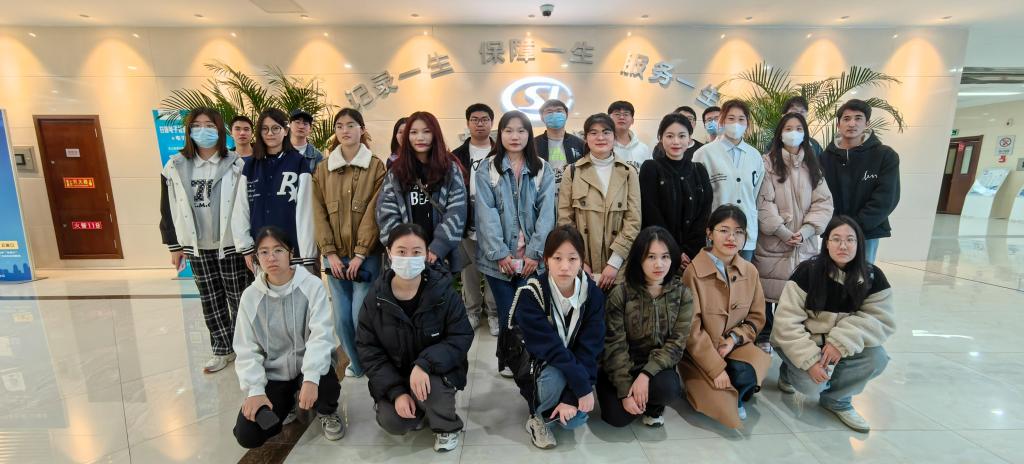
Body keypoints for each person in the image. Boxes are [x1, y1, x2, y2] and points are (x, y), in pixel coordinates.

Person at [356, 224, 474, 452]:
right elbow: (368, 349)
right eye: (401, 251)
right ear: (389, 253)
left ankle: (446, 426)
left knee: (432, 391)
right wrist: (396, 392)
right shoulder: (375, 298)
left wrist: (424, 364)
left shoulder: (443, 291)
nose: (408, 258)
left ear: (426, 254)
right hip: (396, 374)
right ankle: (416, 408)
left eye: (416, 252)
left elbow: (461, 335)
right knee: (393, 422)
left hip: (435, 371)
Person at [771, 216, 894, 433]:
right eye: (836, 239)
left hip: (839, 346)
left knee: (877, 357)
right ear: (826, 243)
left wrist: (840, 342)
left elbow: (880, 319)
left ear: (859, 244)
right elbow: (786, 322)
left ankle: (837, 400)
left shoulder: (873, 277)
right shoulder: (807, 272)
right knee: (812, 385)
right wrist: (809, 361)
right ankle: (789, 371)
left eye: (850, 240)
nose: (843, 246)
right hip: (806, 342)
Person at [232, 226, 343, 448]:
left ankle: (326, 411)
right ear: (257, 257)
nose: (271, 257)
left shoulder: (311, 285)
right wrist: (255, 390)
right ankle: (288, 403)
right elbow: (246, 348)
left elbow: (321, 336)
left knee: (326, 386)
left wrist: (311, 378)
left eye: (278, 250)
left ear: (291, 253)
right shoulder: (250, 297)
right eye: (264, 252)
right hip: (275, 374)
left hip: (309, 365)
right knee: (248, 434)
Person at [160, 107, 251, 374]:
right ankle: (222, 349)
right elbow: (167, 207)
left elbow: (246, 204)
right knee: (210, 300)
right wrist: (174, 245)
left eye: (210, 126)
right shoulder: (175, 165)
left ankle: (245, 348)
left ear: (220, 130)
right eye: (197, 125)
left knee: (240, 299)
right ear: (189, 131)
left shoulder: (236, 163)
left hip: (231, 244)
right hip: (197, 246)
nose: (203, 130)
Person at [504, 225, 605, 449]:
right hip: (540, 365)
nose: (565, 267)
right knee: (555, 376)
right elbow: (550, 349)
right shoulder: (531, 294)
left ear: (582, 261)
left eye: (572, 259)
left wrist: (571, 398)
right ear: (546, 260)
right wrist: (581, 387)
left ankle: (559, 405)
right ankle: (537, 415)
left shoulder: (593, 295)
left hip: (573, 363)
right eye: (557, 258)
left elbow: (591, 349)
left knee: (575, 420)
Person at [474, 110, 556, 377]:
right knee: (507, 311)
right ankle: (508, 360)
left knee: (527, 312)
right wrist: (500, 253)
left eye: (521, 130)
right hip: (499, 259)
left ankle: (527, 359)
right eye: (508, 130)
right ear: (500, 134)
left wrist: (535, 253)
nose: (515, 136)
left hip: (531, 259)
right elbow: (485, 214)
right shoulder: (487, 168)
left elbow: (547, 214)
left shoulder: (542, 168)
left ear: (529, 135)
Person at [678, 205, 770, 429]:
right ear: (710, 233)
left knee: (748, 372)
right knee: (718, 403)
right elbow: (691, 329)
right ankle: (715, 383)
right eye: (724, 230)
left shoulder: (750, 271)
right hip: (700, 353)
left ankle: (737, 386)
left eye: (738, 232)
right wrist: (716, 368)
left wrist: (733, 339)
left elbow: (757, 318)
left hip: (734, 346)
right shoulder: (693, 272)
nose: (731, 238)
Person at [311, 107, 386, 379]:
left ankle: (371, 360)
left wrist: (361, 253)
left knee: (360, 315)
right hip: (334, 258)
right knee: (341, 319)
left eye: (351, 125)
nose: (345, 130)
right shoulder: (323, 169)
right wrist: (329, 253)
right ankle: (356, 363)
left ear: (362, 129)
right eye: (340, 126)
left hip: (366, 257)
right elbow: (318, 213)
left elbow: (374, 212)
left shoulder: (376, 166)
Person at [753, 113, 834, 352]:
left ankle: (788, 340)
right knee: (766, 291)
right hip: (773, 241)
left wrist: (807, 230)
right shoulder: (766, 163)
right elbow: (763, 201)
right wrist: (781, 231)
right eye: (788, 128)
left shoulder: (813, 165)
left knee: (796, 295)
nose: (793, 133)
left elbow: (823, 202)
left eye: (799, 128)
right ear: (780, 133)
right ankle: (764, 336)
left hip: (804, 243)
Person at [599, 226, 693, 428]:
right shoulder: (621, 294)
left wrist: (646, 375)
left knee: (668, 388)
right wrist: (625, 391)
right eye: (651, 257)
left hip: (655, 368)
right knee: (617, 418)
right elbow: (614, 346)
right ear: (639, 259)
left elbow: (676, 345)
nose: (659, 264)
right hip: (622, 366)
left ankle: (652, 406)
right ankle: (634, 398)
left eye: (665, 256)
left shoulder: (682, 294)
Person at [557, 113, 641, 292]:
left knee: (615, 309)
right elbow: (565, 221)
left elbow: (633, 221)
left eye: (606, 132)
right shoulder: (572, 172)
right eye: (593, 133)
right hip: (582, 265)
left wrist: (614, 263)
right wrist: (579, 260)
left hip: (618, 267)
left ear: (614, 136)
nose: (600, 137)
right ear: (586, 138)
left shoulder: (629, 172)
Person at [376, 111, 468, 273]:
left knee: (440, 289)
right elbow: (386, 212)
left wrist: (438, 247)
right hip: (406, 259)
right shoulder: (396, 172)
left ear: (435, 135)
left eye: (427, 131)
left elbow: (457, 210)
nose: (420, 137)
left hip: (440, 256)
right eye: (413, 132)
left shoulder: (449, 169)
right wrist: (406, 249)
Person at [231, 108, 318, 275]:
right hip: (261, 249)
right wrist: (246, 247)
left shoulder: (299, 162)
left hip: (294, 249)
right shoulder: (251, 165)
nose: (270, 133)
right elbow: (242, 208)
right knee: (266, 290)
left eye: (275, 128)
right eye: (265, 129)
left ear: (285, 130)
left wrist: (307, 253)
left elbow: (306, 210)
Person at [820, 99, 900, 264]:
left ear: (867, 123)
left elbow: (886, 198)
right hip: (832, 232)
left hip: (867, 233)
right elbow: (819, 196)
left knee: (862, 274)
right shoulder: (824, 159)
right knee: (830, 274)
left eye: (858, 118)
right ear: (838, 124)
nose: (852, 123)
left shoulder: (885, 156)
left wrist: (856, 227)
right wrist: (835, 226)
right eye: (846, 118)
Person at [692, 99, 765, 262]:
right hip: (716, 232)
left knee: (742, 275)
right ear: (722, 121)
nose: (736, 123)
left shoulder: (755, 156)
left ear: (747, 123)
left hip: (745, 232)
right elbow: (698, 198)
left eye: (741, 119)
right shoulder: (704, 154)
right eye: (731, 118)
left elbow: (755, 193)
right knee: (715, 276)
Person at [640, 113, 712, 270]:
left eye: (682, 136)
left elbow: (704, 213)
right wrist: (674, 251)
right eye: (669, 136)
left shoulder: (699, 170)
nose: (676, 141)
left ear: (689, 138)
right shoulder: (650, 168)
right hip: (660, 253)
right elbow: (651, 213)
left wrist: (688, 251)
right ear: (661, 138)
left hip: (694, 255)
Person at [451, 103, 499, 335]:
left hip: (494, 223)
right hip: (466, 221)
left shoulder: (501, 151)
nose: (480, 124)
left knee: (493, 270)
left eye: (485, 119)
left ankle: (494, 314)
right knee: (469, 271)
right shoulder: (456, 155)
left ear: (492, 123)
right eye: (475, 119)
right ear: (468, 123)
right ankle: (472, 311)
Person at [535, 99, 585, 194]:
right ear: (542, 117)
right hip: (542, 196)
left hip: (572, 195)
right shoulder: (533, 144)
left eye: (559, 111)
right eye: (549, 112)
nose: (554, 114)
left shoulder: (579, 143)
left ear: (566, 115)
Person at [607, 101, 651, 168]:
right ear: (609, 118)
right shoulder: (603, 146)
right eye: (617, 114)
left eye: (626, 114)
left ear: (632, 120)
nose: (621, 117)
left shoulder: (643, 149)